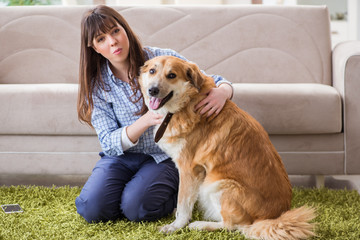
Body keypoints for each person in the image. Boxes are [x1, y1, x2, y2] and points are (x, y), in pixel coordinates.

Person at [76, 5, 233, 223]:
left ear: (125, 29)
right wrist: (146, 121)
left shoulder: (160, 58)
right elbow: (108, 142)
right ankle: (133, 189)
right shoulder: (97, 84)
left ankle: (166, 189)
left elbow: (209, 78)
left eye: (115, 31)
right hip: (121, 157)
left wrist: (224, 92)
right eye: (101, 39)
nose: (112, 42)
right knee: (91, 209)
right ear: (93, 47)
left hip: (162, 158)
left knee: (137, 209)